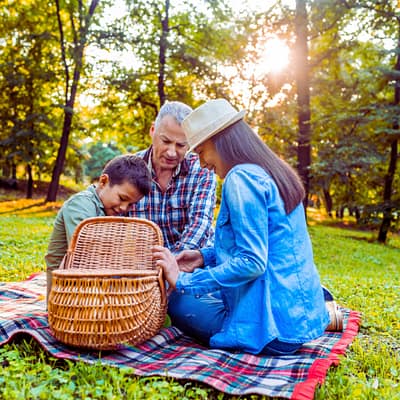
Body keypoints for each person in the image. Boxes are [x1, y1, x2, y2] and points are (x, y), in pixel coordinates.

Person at [152, 98, 331, 355]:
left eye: (201, 151)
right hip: (295, 323)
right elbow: (257, 243)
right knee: (209, 292)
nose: (202, 164)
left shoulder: (240, 179)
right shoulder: (270, 171)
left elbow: (252, 261)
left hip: (271, 333)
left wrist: (183, 281)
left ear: (220, 141)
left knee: (178, 301)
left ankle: (238, 326)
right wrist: (204, 256)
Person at [45, 154, 152, 300]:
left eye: (131, 204)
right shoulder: (80, 205)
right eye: (122, 198)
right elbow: (88, 253)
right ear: (103, 181)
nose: (124, 208)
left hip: (96, 289)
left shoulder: (110, 210)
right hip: (67, 295)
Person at [128, 101, 217, 253]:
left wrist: (172, 264)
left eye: (181, 145)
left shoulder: (202, 171)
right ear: (152, 130)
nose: (171, 152)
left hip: (192, 263)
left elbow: (200, 223)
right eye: (166, 141)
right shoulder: (129, 169)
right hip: (143, 266)